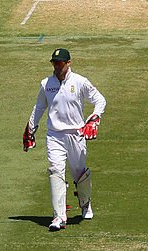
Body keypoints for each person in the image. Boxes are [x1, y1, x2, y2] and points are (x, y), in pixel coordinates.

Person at [23, 47, 107, 231]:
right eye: (54, 63)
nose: (57, 66)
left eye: (60, 63)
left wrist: (94, 118)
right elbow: (39, 107)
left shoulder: (80, 82)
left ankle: (85, 204)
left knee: (78, 172)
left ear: (68, 63)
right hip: (54, 135)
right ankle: (59, 216)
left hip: (76, 134)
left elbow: (100, 100)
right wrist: (30, 128)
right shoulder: (46, 84)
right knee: (55, 170)